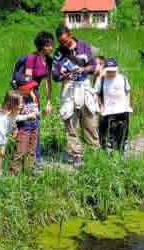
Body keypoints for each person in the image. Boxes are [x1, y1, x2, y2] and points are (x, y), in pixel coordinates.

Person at [52, 24, 100, 165]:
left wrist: (83, 68)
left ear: (70, 35)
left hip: (84, 86)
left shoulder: (83, 45)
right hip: (68, 88)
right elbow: (55, 75)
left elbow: (93, 66)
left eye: (65, 41)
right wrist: (64, 76)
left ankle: (94, 152)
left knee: (89, 121)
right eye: (60, 42)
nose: (64, 44)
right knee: (70, 123)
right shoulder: (58, 53)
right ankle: (76, 154)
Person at [0, 90, 37, 177]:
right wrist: (2, 143)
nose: (22, 105)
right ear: (12, 104)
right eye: (20, 104)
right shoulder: (3, 118)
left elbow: (16, 118)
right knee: (0, 154)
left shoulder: (10, 114)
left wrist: (28, 116)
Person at [25, 31, 54, 167]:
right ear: (41, 45)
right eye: (48, 45)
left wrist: (48, 101)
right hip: (25, 92)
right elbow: (27, 78)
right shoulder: (32, 58)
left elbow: (48, 82)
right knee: (28, 124)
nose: (51, 47)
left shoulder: (49, 60)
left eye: (51, 44)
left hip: (35, 92)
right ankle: (30, 158)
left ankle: (35, 157)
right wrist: (30, 93)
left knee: (35, 124)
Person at [94, 58, 132, 153]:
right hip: (107, 110)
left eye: (113, 71)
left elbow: (127, 91)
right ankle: (106, 150)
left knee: (122, 130)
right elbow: (97, 93)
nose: (111, 73)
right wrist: (101, 105)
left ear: (117, 69)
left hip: (122, 110)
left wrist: (127, 105)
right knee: (107, 132)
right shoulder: (101, 80)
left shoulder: (122, 78)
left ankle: (121, 149)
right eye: (109, 71)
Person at [11, 81, 41, 173]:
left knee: (32, 150)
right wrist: (27, 117)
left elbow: (35, 109)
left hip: (34, 126)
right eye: (30, 88)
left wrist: (37, 113)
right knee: (21, 151)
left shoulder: (33, 97)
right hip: (24, 128)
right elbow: (14, 117)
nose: (32, 89)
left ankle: (29, 169)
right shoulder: (18, 99)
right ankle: (14, 171)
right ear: (23, 89)